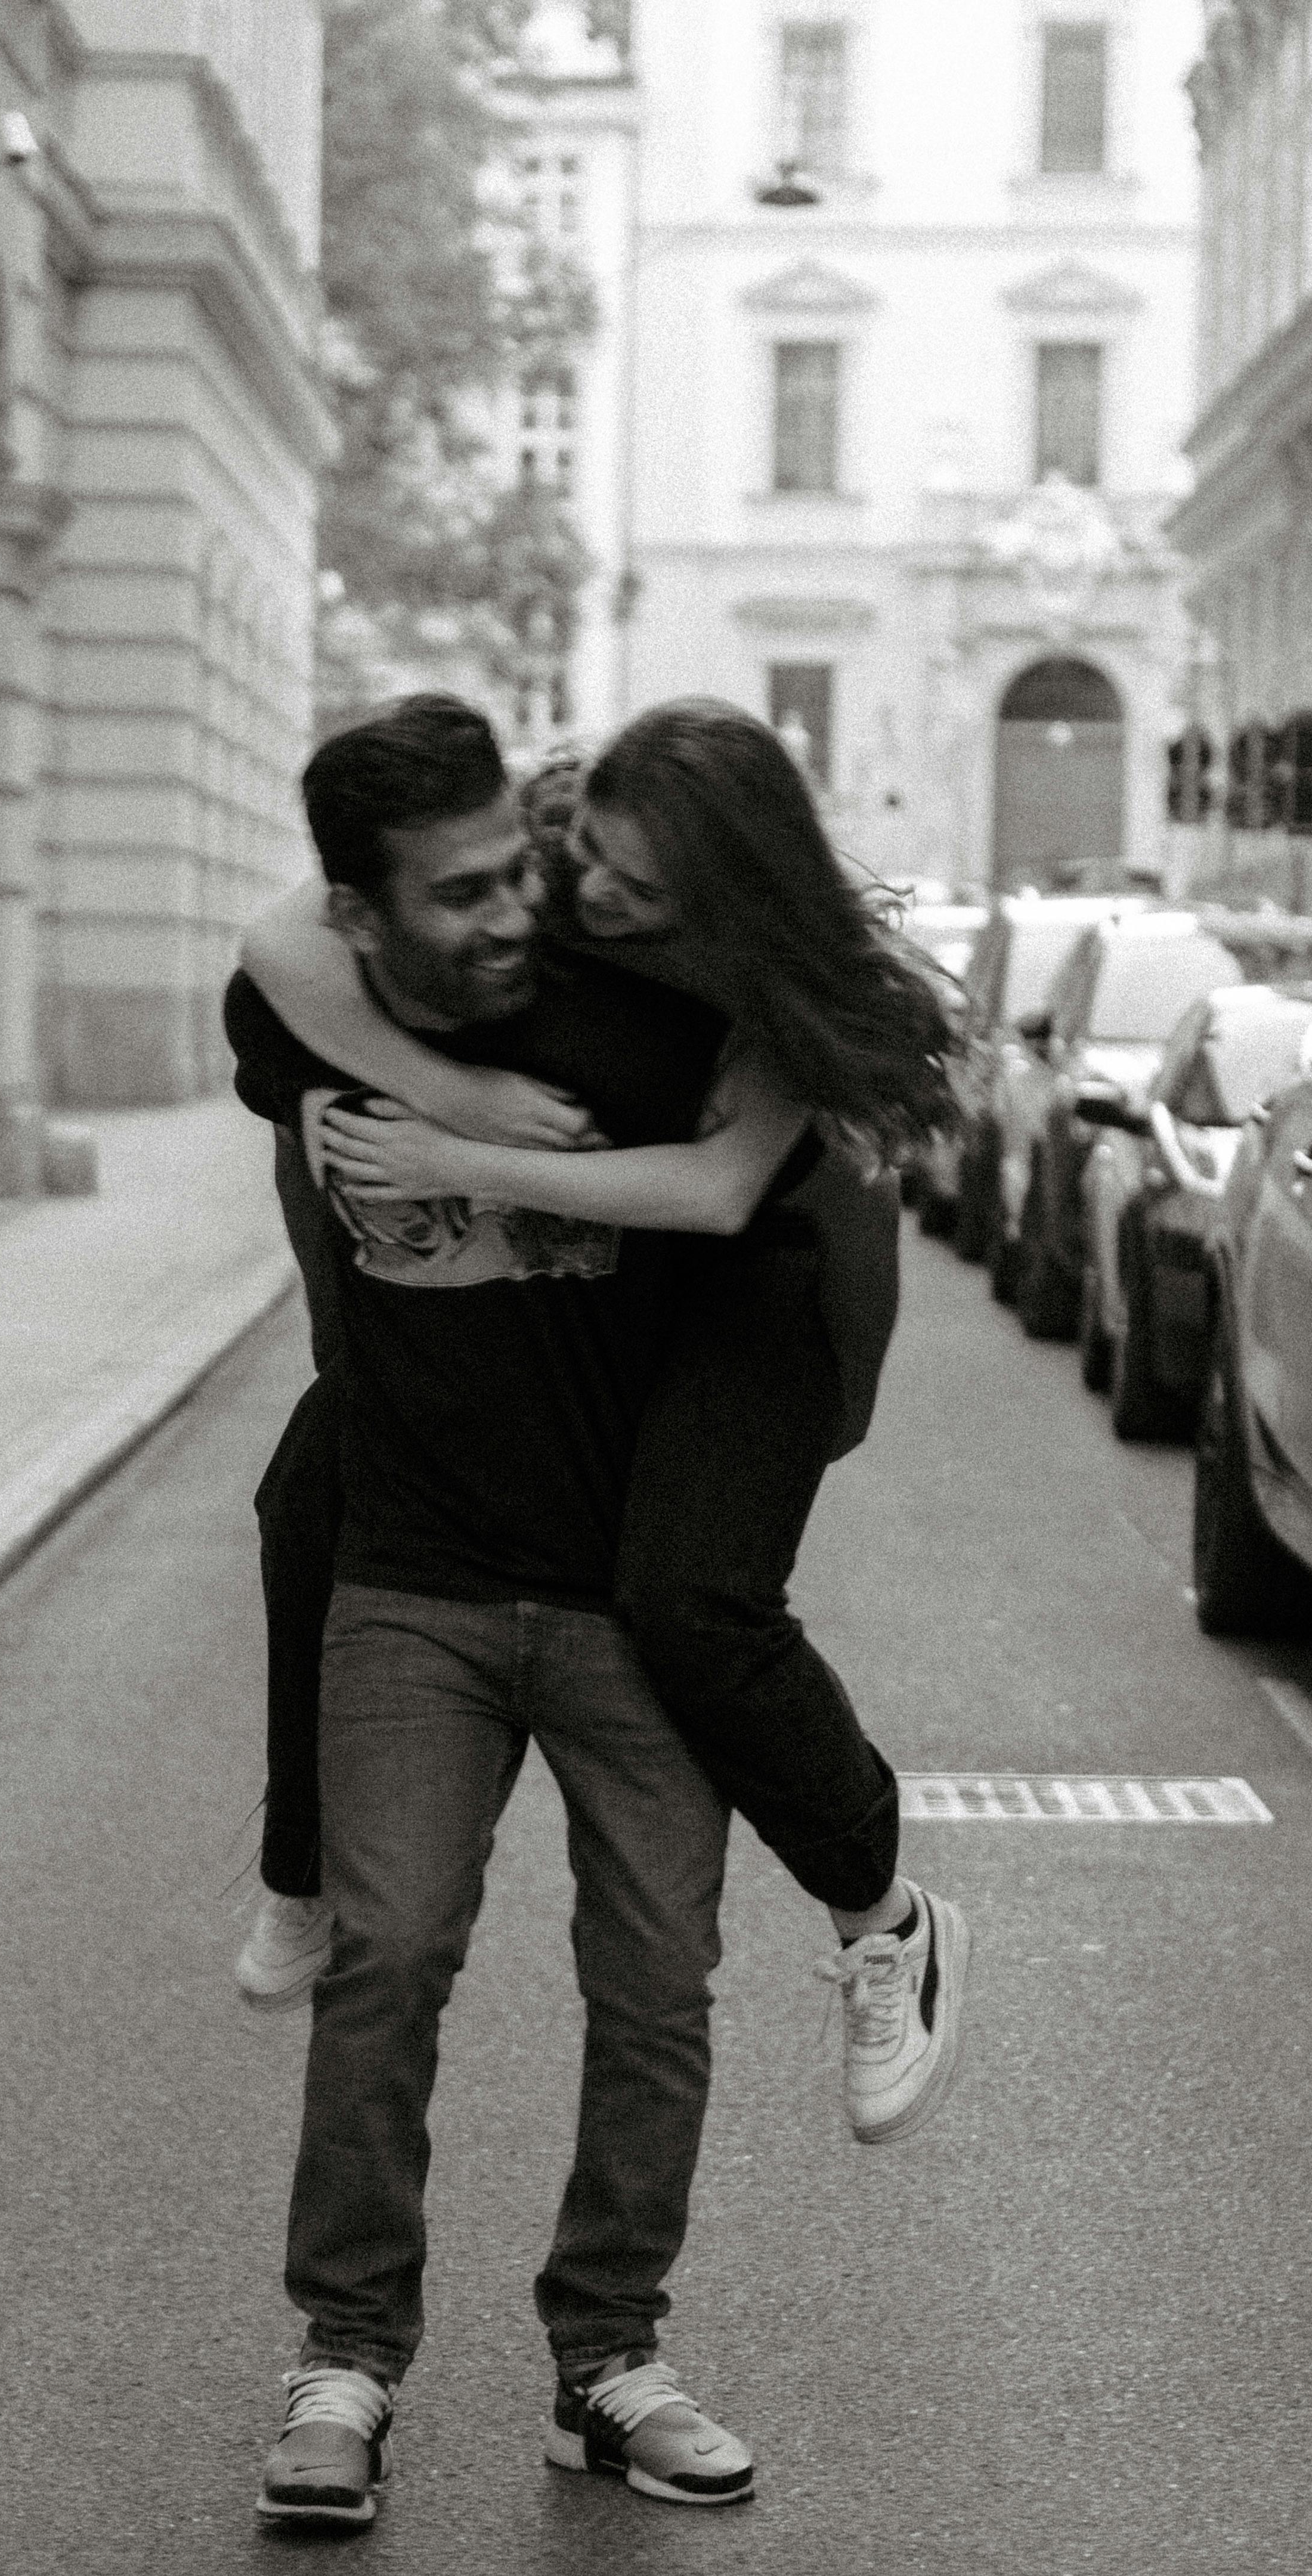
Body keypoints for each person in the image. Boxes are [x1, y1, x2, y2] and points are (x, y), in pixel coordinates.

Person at [239, 696, 970, 2149]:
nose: (597, 902)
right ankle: (296, 1867)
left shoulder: (790, 980)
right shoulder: (552, 846)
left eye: (645, 890)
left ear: (733, 886)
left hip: (769, 1294)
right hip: (636, 1258)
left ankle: (885, 1919)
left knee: (690, 1599)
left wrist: (457, 1150)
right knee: (311, 1486)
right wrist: (449, 1090)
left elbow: (716, 1194)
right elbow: (282, 943)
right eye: (596, 866)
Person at [226, 694, 756, 2528]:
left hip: (630, 1596)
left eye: (512, 865)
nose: (509, 909)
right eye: (454, 893)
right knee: (386, 1953)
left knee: (655, 1979)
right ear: (364, 917)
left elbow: (764, 1129)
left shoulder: (629, 1005)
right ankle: (345, 2360)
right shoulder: (290, 1008)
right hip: (416, 1585)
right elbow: (273, 965)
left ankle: (608, 2362)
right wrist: (431, 1092)